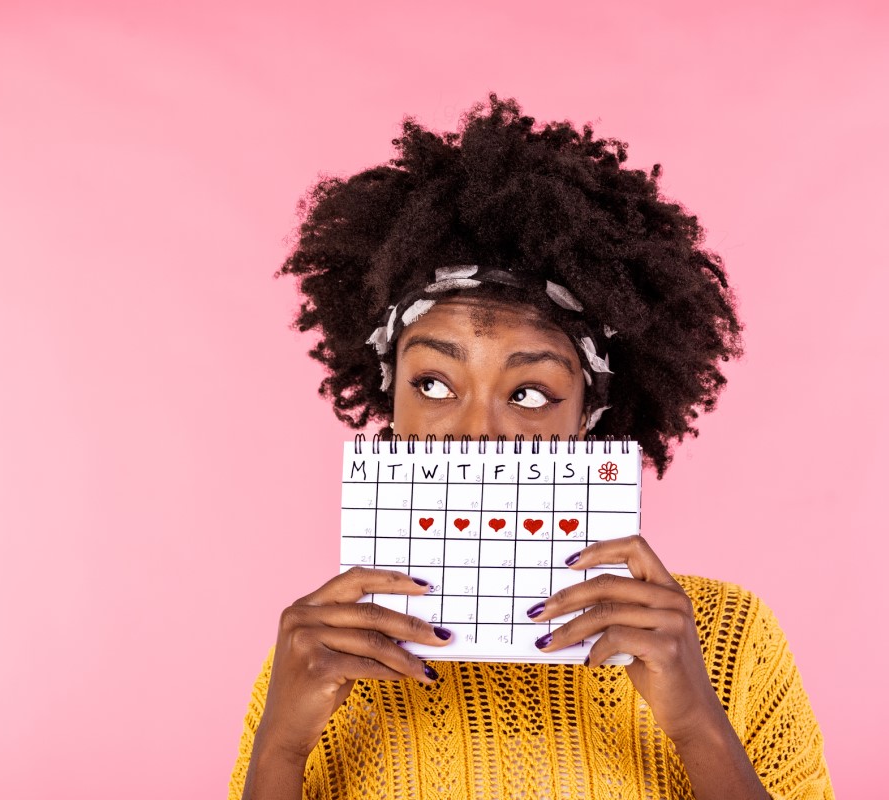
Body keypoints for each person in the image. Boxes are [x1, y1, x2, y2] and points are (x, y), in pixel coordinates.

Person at [228, 93, 834, 800]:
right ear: (389, 400)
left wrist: (698, 723)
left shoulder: (728, 643)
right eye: (432, 382)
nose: (474, 433)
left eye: (529, 393)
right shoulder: (320, 656)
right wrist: (283, 746)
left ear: (589, 418)